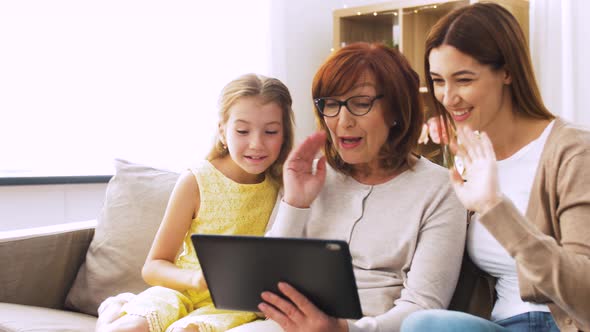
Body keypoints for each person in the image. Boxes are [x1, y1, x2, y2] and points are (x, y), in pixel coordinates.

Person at [228, 42, 466, 332]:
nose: (343, 121)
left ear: (396, 111)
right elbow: (263, 284)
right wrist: (295, 203)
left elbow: (423, 307)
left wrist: (343, 330)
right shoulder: (309, 173)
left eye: (361, 103)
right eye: (331, 103)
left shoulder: (440, 189)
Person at [401, 3, 590, 332]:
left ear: (508, 71)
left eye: (463, 79)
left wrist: (494, 207)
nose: (447, 97)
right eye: (438, 81)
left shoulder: (572, 153)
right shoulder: (467, 157)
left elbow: (585, 293)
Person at [95, 73, 295, 332]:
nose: (256, 144)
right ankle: (112, 314)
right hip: (179, 290)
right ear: (223, 131)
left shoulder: (283, 186)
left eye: (270, 131)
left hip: (232, 304)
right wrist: (195, 279)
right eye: (243, 130)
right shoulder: (197, 180)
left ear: (284, 133)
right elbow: (153, 266)